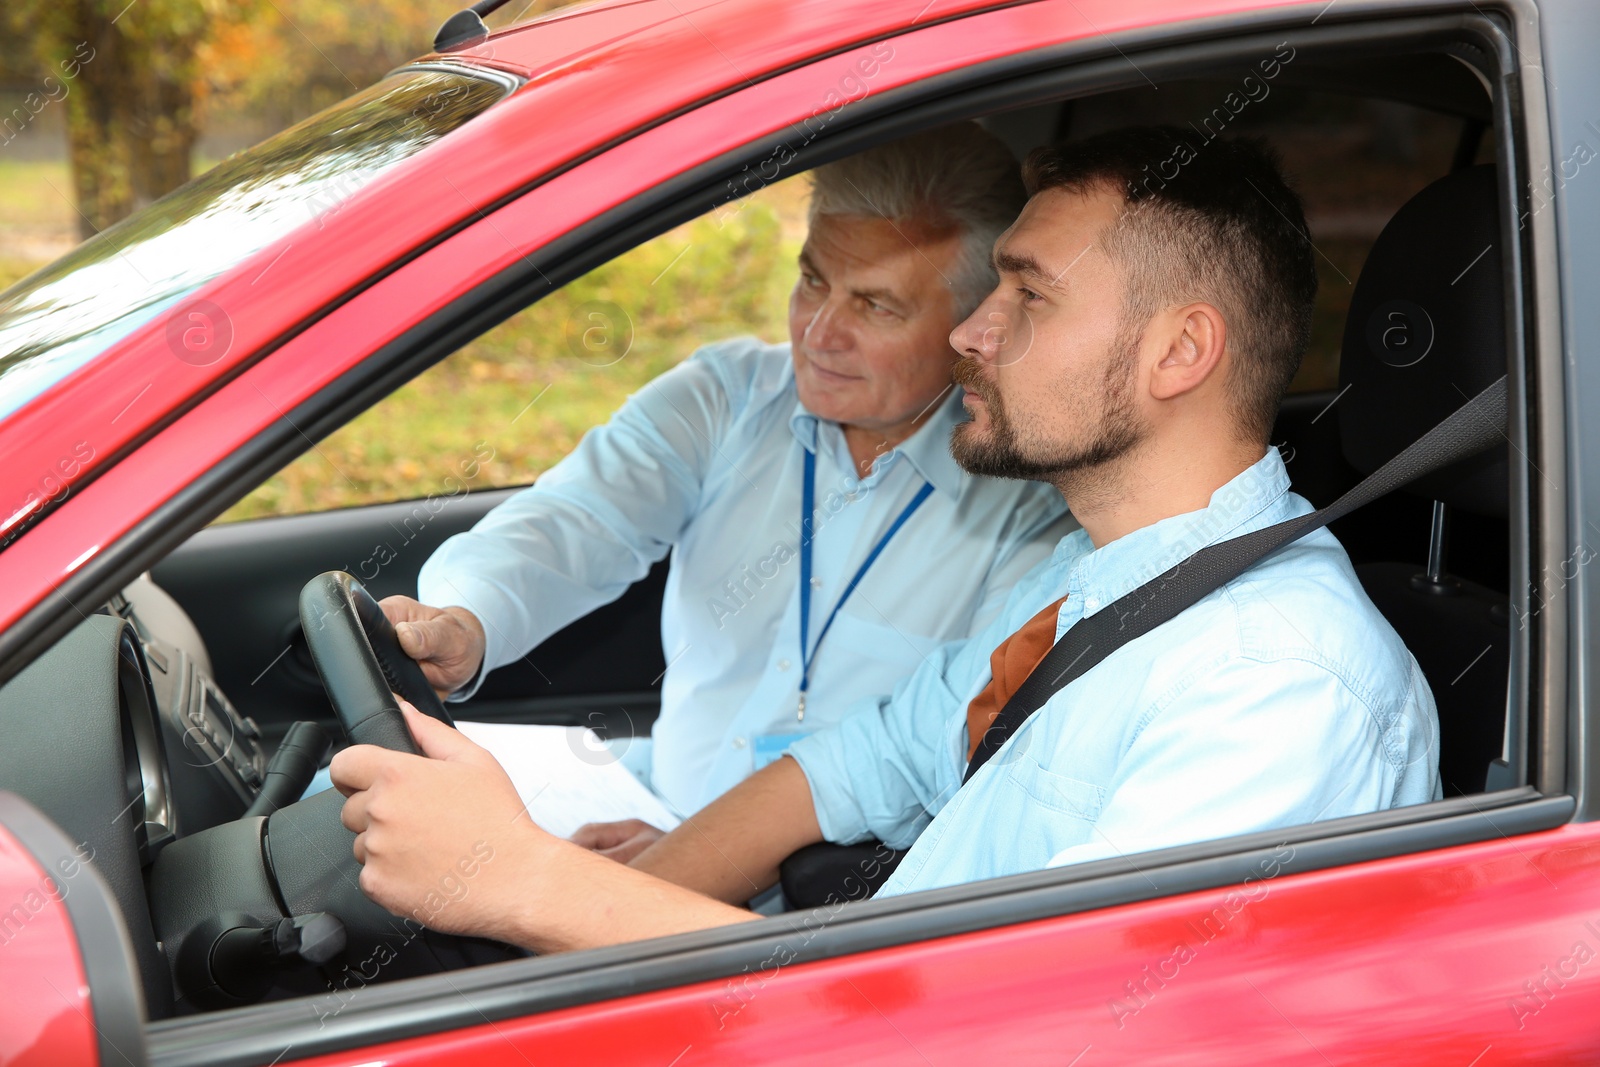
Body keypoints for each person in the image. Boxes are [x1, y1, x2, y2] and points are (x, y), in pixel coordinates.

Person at [332, 126, 1440, 953]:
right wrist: (573, 904)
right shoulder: (1092, 580)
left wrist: (518, 880)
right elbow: (846, 765)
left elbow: (1012, 1022)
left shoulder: (1275, 686)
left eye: (1029, 296)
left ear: (1178, 351)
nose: (973, 333)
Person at [376, 122, 1075, 858]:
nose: (818, 333)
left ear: (974, 323)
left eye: (875, 306)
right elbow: (576, 520)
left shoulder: (1027, 511)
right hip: (643, 802)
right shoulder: (728, 395)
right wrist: (466, 617)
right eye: (812, 281)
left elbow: (937, 761)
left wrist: (682, 860)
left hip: (816, 904)